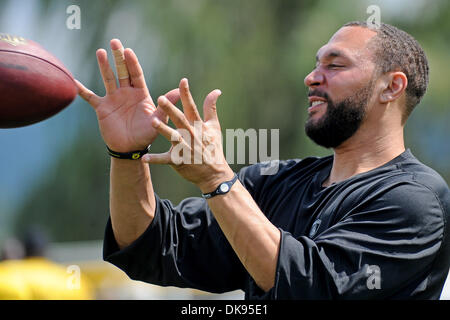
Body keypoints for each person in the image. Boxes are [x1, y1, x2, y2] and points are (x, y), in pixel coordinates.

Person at [76, 21, 450, 299]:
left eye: (335, 66)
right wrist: (127, 154)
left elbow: (307, 287)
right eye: (315, 64)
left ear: (392, 86)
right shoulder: (272, 184)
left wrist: (217, 180)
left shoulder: (414, 200)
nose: (311, 77)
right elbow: (148, 244)